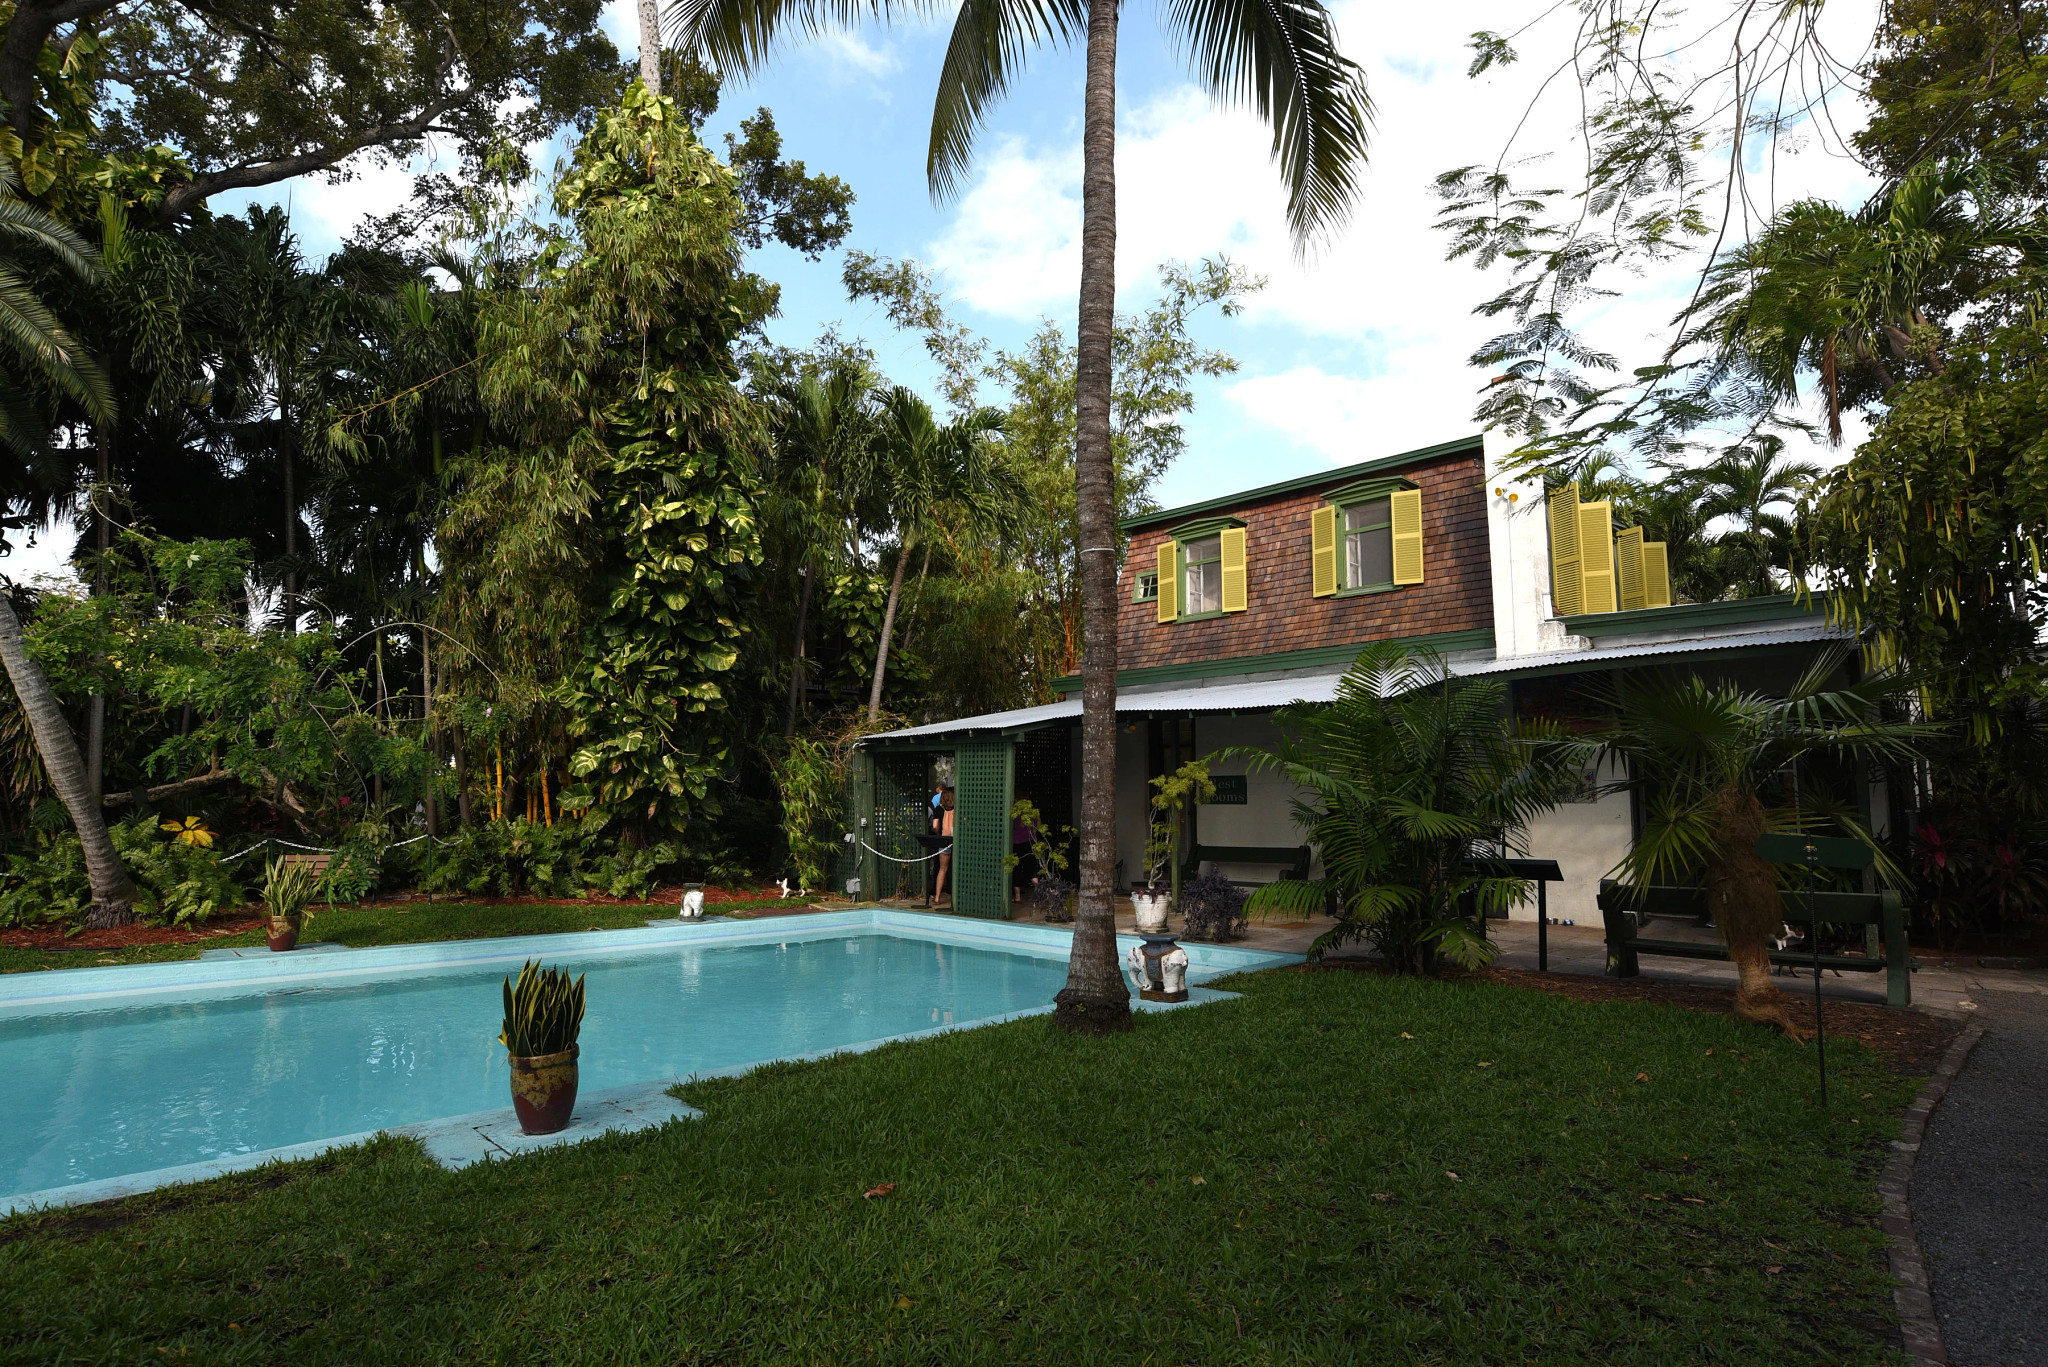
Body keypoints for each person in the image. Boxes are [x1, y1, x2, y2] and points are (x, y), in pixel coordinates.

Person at [932, 789, 955, 908]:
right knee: (957, 869)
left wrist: (938, 834)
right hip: (956, 841)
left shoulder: (938, 809)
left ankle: (937, 897)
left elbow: (935, 826)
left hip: (944, 841)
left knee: (942, 869)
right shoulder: (958, 808)